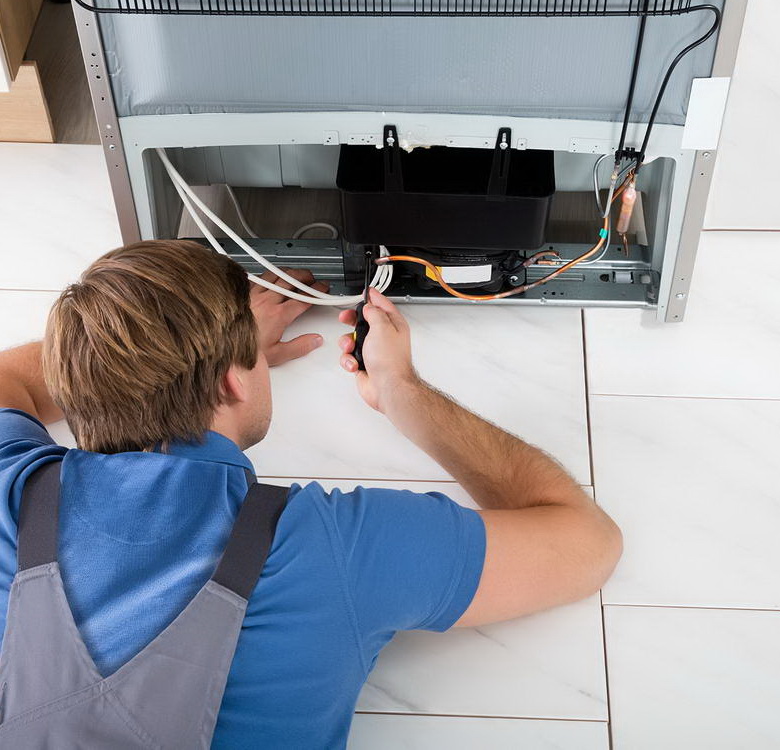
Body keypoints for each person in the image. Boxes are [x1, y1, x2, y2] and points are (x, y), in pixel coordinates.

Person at [0, 240, 621, 748]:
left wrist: (174, 353)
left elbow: (13, 378)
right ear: (232, 382)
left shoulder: (13, 491)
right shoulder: (334, 546)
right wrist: (402, 391)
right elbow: (588, 545)